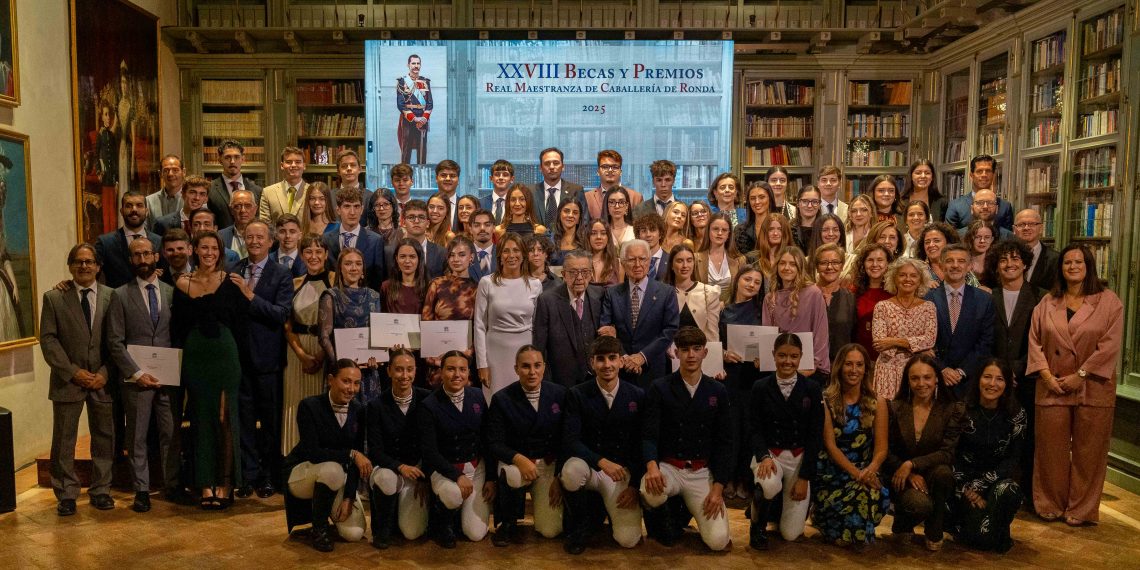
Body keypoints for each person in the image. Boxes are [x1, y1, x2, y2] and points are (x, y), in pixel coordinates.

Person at [1027, 243, 1124, 526]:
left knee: (1089, 453)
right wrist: (1045, 375)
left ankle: (1081, 509)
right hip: (1051, 385)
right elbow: (1034, 342)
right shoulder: (1047, 302)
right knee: (1050, 450)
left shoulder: (1109, 301)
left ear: (1089, 266)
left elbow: (1109, 346)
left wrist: (1079, 375)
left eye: (1078, 262)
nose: (1072, 267)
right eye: (1067, 262)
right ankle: (1049, 503)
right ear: (1061, 268)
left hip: (1092, 385)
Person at [171, 231, 249, 509]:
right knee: (201, 418)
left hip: (225, 355)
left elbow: (242, 324)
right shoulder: (181, 283)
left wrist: (248, 294)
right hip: (196, 356)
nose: (209, 253)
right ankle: (204, 484)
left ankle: (226, 484)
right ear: (194, 250)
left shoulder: (231, 282)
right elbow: (177, 327)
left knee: (226, 418)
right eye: (203, 247)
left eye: (214, 248)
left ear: (221, 252)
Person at [640, 326, 732, 551]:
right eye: (685, 349)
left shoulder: (717, 391)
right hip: (669, 467)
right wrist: (652, 467)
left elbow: (725, 442)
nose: (691, 355)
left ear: (705, 353)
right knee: (649, 490)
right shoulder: (659, 388)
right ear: (676, 352)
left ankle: (684, 514)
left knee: (718, 542)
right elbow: (648, 434)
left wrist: (718, 488)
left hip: (701, 472)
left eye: (696, 349)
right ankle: (661, 524)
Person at [41, 244, 115, 516]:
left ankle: (101, 490)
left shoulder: (112, 296)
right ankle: (66, 494)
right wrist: (73, 372)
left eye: (89, 262)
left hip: (102, 380)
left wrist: (105, 373)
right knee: (64, 439)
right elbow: (48, 340)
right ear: (70, 266)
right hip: (68, 381)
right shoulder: (54, 298)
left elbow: (117, 340)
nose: (84, 266)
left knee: (104, 437)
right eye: (78, 262)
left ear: (98, 266)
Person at [105, 237, 176, 513]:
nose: (143, 259)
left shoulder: (171, 292)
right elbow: (114, 341)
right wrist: (136, 373)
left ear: (156, 257)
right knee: (137, 436)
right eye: (137, 255)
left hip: (168, 378)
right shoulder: (120, 295)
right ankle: (142, 490)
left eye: (147, 253)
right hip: (137, 380)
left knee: (170, 433)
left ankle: (171, 485)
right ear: (131, 260)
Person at [560, 335, 646, 554]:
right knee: (570, 471)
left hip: (621, 473)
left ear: (620, 361)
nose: (606, 365)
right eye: (600, 359)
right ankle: (578, 529)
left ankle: (605, 514)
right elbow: (571, 440)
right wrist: (601, 462)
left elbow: (641, 443)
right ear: (592, 363)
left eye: (612, 358)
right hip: (590, 467)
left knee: (628, 540)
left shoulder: (637, 395)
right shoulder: (577, 394)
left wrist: (634, 484)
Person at [231, 221, 294, 499]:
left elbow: (281, 314)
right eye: (249, 236)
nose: (254, 241)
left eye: (260, 237)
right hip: (239, 360)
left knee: (269, 424)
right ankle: (248, 475)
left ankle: (268, 476)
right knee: (244, 423)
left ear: (271, 242)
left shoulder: (281, 274)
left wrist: (249, 295)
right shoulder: (235, 270)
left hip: (268, 361)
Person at [282, 360, 370, 552]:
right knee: (333, 469)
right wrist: (351, 454)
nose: (352, 388)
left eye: (356, 383)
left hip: (336, 476)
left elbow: (356, 462)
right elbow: (314, 453)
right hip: (302, 473)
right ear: (331, 379)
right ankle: (319, 529)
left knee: (354, 534)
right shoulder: (309, 406)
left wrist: (348, 498)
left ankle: (330, 508)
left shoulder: (359, 410)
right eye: (346, 381)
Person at [486, 346, 568, 545]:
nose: (532, 372)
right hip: (518, 464)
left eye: (537, 366)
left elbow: (567, 439)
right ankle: (507, 523)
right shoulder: (501, 398)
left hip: (548, 465)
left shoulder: (560, 394)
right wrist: (519, 459)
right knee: (512, 474)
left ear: (544, 367)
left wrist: (559, 476)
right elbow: (494, 443)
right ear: (516, 369)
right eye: (525, 366)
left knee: (550, 531)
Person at [748, 333, 824, 548]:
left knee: (790, 534)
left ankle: (779, 512)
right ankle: (757, 524)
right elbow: (754, 428)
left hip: (799, 457)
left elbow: (815, 435)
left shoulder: (812, 388)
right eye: (782, 355)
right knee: (767, 483)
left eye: (793, 356)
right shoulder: (760, 387)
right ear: (773, 355)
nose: (787, 361)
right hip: (770, 454)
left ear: (801, 357)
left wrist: (804, 477)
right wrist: (763, 456)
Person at [883, 354, 964, 551]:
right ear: (907, 381)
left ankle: (934, 528)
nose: (921, 383)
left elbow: (947, 453)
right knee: (920, 505)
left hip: (933, 474)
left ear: (937, 378)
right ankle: (902, 523)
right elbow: (886, 450)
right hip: (901, 477)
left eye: (927, 377)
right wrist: (907, 472)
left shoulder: (952, 409)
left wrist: (912, 464)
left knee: (944, 474)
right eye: (915, 378)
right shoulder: (894, 408)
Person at [814, 344, 889, 550]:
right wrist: (858, 474)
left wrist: (870, 471)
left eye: (859, 365)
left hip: (866, 469)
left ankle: (848, 533)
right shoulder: (826, 400)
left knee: (871, 495)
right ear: (839, 366)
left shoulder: (878, 402)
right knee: (860, 498)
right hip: (833, 472)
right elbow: (830, 446)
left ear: (866, 368)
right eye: (848, 364)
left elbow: (882, 449)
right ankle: (832, 526)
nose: (853, 370)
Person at [418, 351, 495, 547]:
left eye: (462, 369)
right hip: (445, 470)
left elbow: (488, 441)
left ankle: (461, 516)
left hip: (476, 469)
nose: (457, 375)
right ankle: (442, 523)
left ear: (469, 372)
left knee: (475, 534)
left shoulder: (478, 396)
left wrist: (491, 477)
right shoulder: (429, 405)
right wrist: (456, 476)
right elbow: (429, 452)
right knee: (453, 495)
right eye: (451, 369)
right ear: (441, 372)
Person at [988, 238, 1045, 498]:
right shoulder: (989, 296)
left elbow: (1044, 340)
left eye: (1014, 259)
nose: (1009, 264)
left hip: (1028, 379)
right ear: (997, 266)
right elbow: (986, 338)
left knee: (1028, 438)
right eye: (1003, 260)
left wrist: (1017, 369)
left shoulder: (1041, 297)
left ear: (1024, 263)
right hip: (993, 380)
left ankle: (1027, 494)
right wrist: (999, 371)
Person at [951, 358, 1025, 553]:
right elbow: (951, 454)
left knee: (1009, 491)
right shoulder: (961, 410)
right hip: (963, 484)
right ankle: (984, 533)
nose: (992, 384)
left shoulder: (1017, 415)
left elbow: (1013, 458)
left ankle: (987, 534)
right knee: (980, 538)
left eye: (999, 379)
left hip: (996, 482)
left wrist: (982, 485)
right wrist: (968, 487)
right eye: (987, 377)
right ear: (978, 380)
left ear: (1007, 384)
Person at [366, 348, 430, 549]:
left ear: (415, 371)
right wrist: (400, 467)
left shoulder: (427, 399)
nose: (405, 375)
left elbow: (433, 444)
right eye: (399, 370)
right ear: (389, 371)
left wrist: (424, 475)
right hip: (389, 468)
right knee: (386, 479)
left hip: (416, 472)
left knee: (412, 533)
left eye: (409, 370)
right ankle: (383, 529)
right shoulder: (376, 405)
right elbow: (375, 451)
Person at [599, 239, 680, 389]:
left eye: (642, 259)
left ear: (649, 260)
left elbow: (670, 330)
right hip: (620, 370)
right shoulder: (612, 293)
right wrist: (625, 358)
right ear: (622, 263)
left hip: (653, 368)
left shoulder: (666, 292)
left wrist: (642, 356)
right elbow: (605, 328)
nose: (637, 264)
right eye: (631, 259)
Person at [282, 234, 332, 454]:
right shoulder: (293, 283)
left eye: (318, 251)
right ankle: (293, 457)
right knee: (294, 406)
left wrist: (320, 356)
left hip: (326, 351)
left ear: (326, 254)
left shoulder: (335, 279)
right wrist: (302, 354)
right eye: (308, 252)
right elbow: (287, 325)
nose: (313, 256)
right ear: (301, 255)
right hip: (297, 354)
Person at [474, 233, 541, 397]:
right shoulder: (486, 283)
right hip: (495, 352)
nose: (511, 255)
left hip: (525, 347)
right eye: (506, 251)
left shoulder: (535, 284)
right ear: (499, 256)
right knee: (496, 401)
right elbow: (479, 326)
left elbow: (538, 324)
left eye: (516, 250)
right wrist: (481, 364)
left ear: (524, 255)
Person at [926, 244, 996, 400]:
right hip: (934, 381)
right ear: (941, 265)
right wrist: (942, 369)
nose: (955, 265)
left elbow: (985, 342)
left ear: (969, 266)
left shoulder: (984, 300)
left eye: (961, 261)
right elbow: (923, 341)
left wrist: (961, 371)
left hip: (970, 382)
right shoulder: (927, 298)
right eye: (950, 261)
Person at [720, 266, 766, 495]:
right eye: (747, 279)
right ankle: (726, 478)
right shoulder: (723, 310)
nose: (751, 284)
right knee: (730, 430)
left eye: (756, 282)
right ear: (737, 280)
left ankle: (744, 480)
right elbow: (715, 343)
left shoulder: (762, 312)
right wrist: (723, 354)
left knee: (749, 428)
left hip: (753, 378)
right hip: (729, 376)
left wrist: (763, 356)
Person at [318, 249, 385, 402]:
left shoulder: (374, 296)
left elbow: (378, 335)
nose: (354, 268)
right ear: (340, 268)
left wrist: (378, 357)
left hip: (368, 371)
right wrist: (341, 365)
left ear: (363, 269)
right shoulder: (330, 296)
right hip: (341, 372)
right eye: (348, 264)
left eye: (358, 264)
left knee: (368, 419)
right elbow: (323, 337)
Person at [533, 250, 603, 389]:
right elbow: (539, 347)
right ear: (563, 274)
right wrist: (546, 382)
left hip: (595, 380)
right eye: (573, 272)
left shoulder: (600, 296)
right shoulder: (547, 300)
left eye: (584, 272)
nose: (579, 278)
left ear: (591, 274)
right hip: (560, 382)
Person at [871, 257, 937, 399]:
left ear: (920, 280)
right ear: (894, 278)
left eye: (913, 275)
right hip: (887, 370)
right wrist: (918, 347)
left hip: (918, 372)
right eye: (902, 275)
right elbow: (879, 344)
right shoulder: (882, 306)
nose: (908, 279)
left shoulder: (929, 307)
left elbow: (930, 340)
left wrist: (893, 342)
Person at [763, 246, 831, 378]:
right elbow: (768, 334)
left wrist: (814, 364)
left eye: (792, 264)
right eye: (782, 263)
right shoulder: (770, 298)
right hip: (780, 368)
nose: (786, 268)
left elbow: (821, 331)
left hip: (808, 368)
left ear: (800, 267)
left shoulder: (813, 292)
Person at [95, 191, 162, 290]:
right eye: (129, 206)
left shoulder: (158, 241)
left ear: (147, 211)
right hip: (117, 302)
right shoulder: (105, 242)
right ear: (121, 211)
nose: (134, 210)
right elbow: (91, 272)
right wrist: (71, 285)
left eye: (139, 205)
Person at [323, 187, 387, 289]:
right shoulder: (326, 239)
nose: (352, 212)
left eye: (356, 206)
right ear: (338, 210)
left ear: (361, 210)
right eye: (347, 206)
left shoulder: (375, 241)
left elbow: (378, 280)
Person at [665, 243, 721, 344]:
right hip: (669, 355)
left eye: (689, 260)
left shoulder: (709, 293)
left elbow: (713, 335)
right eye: (679, 261)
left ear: (694, 263)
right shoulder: (663, 292)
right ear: (672, 265)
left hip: (701, 354)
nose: (685, 265)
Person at [945, 155, 1013, 230]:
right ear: (971, 175)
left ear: (993, 175)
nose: (984, 175)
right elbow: (950, 237)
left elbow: (1008, 237)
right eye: (979, 171)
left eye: (988, 171)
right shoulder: (955, 206)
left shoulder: (1005, 207)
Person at [851, 243, 894, 361]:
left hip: (889, 359)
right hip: (860, 357)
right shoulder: (853, 291)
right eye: (870, 260)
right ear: (863, 264)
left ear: (888, 264)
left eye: (880, 260)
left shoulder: (896, 292)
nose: (875, 264)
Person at [422, 234, 478, 323]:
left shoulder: (477, 288)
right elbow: (426, 320)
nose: (456, 259)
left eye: (461, 255)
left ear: (471, 257)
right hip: (436, 336)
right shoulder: (437, 284)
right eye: (452, 255)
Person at [208, 140, 263, 229]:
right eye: (227, 157)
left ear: (243, 159)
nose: (232, 161)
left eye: (236, 157)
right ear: (219, 160)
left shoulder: (257, 191)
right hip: (223, 240)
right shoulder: (210, 189)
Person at [814, 244, 855, 362]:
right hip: (812, 368)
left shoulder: (850, 299)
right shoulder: (806, 297)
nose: (829, 267)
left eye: (835, 262)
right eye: (824, 263)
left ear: (842, 266)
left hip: (841, 365)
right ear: (816, 267)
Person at [388, 199, 445, 280]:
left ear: (428, 223)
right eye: (411, 217)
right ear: (403, 223)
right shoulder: (392, 251)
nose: (416, 221)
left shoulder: (441, 253)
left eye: (421, 217)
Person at [577, 150, 641, 220]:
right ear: (598, 171)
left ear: (621, 172)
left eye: (615, 167)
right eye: (605, 167)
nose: (610, 170)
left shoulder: (635, 198)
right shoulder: (587, 198)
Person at [694, 213, 745, 300]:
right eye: (715, 229)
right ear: (708, 231)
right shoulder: (695, 258)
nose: (720, 233)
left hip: (730, 310)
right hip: (703, 308)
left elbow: (741, 293)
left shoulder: (739, 260)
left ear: (729, 234)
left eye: (724, 230)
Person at [533, 147, 583, 228]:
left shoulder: (576, 190)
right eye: (547, 163)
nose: (552, 167)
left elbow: (583, 222)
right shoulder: (531, 192)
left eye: (556, 163)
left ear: (563, 166)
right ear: (540, 168)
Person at [258, 146, 309, 225]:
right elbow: (265, 225)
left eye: (298, 162)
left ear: (304, 165)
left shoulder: (312, 191)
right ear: (282, 165)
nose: (293, 165)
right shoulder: (268, 192)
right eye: (289, 162)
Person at [396, 54, 432, 164]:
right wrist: (415, 119)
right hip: (408, 121)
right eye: (413, 63)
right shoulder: (402, 82)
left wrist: (423, 119)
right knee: (406, 150)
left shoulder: (425, 82)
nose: (416, 66)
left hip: (423, 120)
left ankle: (422, 174)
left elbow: (429, 104)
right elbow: (401, 104)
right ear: (408, 65)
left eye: (418, 63)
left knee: (422, 152)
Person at [1013, 208, 1059, 291]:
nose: (1026, 228)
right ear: (1014, 229)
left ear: (1041, 228)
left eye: (1032, 224)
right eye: (1021, 224)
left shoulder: (1055, 259)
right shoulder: (1004, 257)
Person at [381, 238, 428, 316]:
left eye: (412, 257)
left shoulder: (428, 287)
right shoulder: (386, 287)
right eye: (402, 257)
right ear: (396, 259)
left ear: (419, 259)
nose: (407, 261)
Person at [734, 181, 777, 257]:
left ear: (770, 199)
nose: (757, 202)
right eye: (753, 198)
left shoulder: (781, 226)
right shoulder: (740, 230)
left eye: (762, 197)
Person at [147, 155, 186, 230]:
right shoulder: (149, 201)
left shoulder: (191, 200)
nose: (170, 174)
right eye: (166, 170)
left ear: (183, 172)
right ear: (160, 174)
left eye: (175, 170)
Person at [581, 219, 622, 286]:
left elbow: (620, 294)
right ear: (588, 237)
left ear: (608, 237)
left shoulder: (618, 264)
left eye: (603, 233)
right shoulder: (580, 263)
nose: (598, 237)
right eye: (594, 233)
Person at [218, 189, 257, 259]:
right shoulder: (220, 236)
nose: (243, 210)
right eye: (238, 206)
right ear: (231, 210)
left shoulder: (266, 236)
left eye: (248, 206)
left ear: (255, 209)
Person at [755, 213, 793, 279]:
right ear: (765, 232)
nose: (775, 233)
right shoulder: (752, 259)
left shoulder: (794, 257)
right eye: (771, 229)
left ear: (785, 232)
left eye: (780, 229)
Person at [633, 212, 669, 282]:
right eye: (644, 231)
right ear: (638, 235)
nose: (648, 234)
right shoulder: (633, 261)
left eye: (652, 230)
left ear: (660, 234)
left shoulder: (671, 259)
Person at [270, 213, 307, 278]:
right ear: (276, 235)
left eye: (292, 232)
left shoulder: (307, 261)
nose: (287, 236)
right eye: (282, 231)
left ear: (300, 235)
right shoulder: (267, 260)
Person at [550, 199, 584, 267]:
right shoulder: (549, 240)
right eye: (566, 211)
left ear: (579, 219)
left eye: (575, 213)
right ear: (559, 215)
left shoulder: (586, 240)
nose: (570, 215)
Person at [467, 209, 497, 283]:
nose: (482, 228)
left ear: (494, 228)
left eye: (487, 225)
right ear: (470, 229)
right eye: (477, 225)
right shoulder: (463, 254)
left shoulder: (502, 253)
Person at [963, 220, 997, 285]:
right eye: (977, 237)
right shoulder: (961, 261)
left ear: (992, 240)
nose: (982, 241)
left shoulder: (996, 262)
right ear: (970, 238)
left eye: (987, 237)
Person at [481, 159, 514, 225]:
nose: (501, 178)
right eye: (497, 174)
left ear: (512, 179)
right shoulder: (480, 203)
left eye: (505, 175)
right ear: (491, 179)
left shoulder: (517, 204)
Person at [791, 185, 822, 252]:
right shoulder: (788, 228)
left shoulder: (825, 229)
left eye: (814, 202)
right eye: (805, 201)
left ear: (819, 205)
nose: (809, 206)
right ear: (798, 203)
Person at [436, 160, 467, 227]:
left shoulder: (465, 207)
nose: (448, 179)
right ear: (436, 178)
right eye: (443, 175)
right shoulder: (428, 207)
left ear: (458, 180)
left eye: (452, 176)